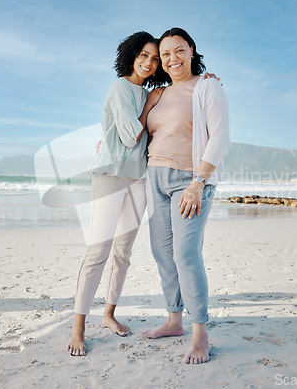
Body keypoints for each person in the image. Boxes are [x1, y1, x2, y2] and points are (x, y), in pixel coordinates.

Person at [67, 31, 166, 356]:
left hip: (138, 179)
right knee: (98, 253)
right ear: (131, 54)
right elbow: (130, 136)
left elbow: (152, 137)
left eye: (155, 58)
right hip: (110, 177)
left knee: (123, 254)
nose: (149, 63)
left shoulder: (150, 93)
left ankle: (109, 314)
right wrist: (149, 104)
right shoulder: (121, 88)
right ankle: (78, 328)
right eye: (144, 55)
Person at [141, 27, 230, 365]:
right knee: (163, 253)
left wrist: (197, 183)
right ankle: (173, 321)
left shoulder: (207, 86)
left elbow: (220, 138)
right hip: (154, 179)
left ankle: (200, 335)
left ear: (191, 50)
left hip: (189, 181)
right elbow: (134, 131)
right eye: (165, 55)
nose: (172, 59)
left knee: (185, 254)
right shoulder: (158, 94)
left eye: (179, 51)